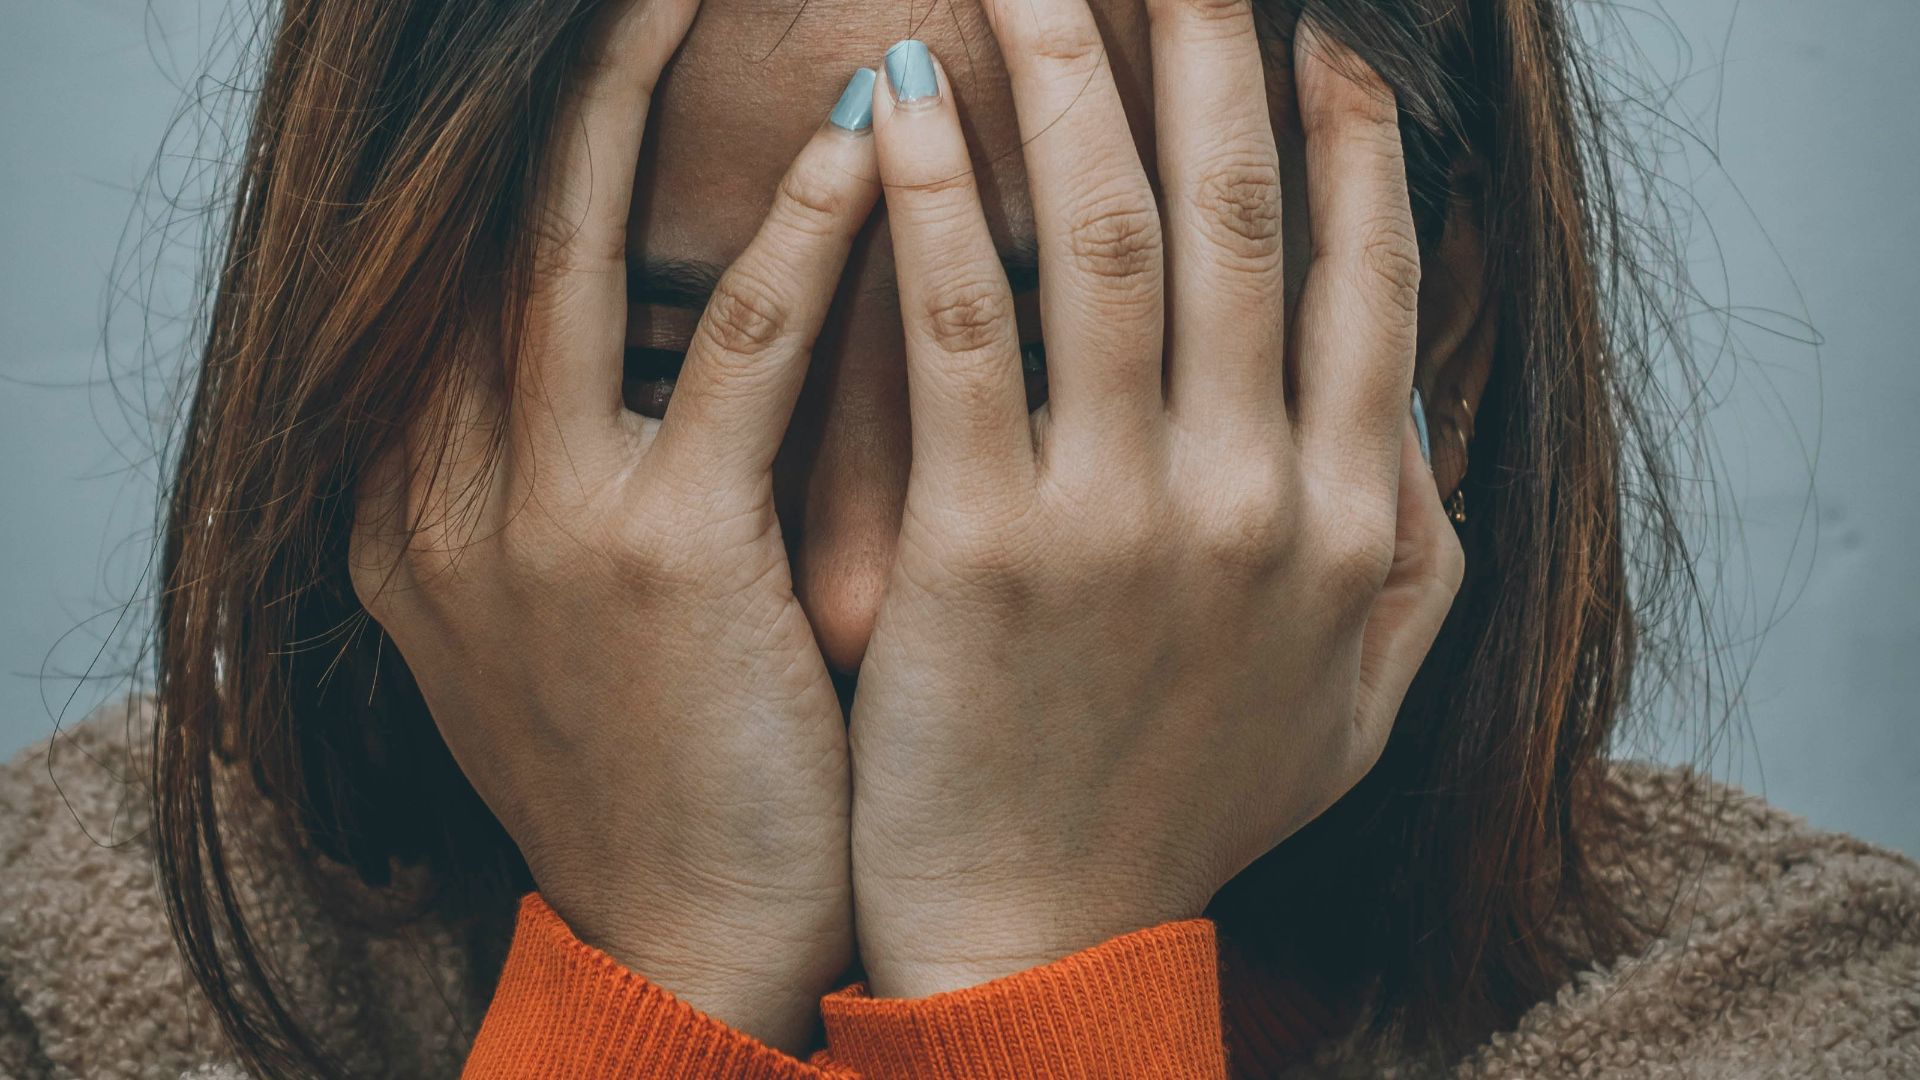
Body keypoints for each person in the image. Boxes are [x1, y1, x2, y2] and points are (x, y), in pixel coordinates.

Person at [2, 0, 1916, 1075]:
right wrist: (661, 979)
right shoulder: (81, 979)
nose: (845, 593)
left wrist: (1030, 968)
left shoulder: (1801, 1025)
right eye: (667, 376)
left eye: (1061, 371)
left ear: (1431, 324)